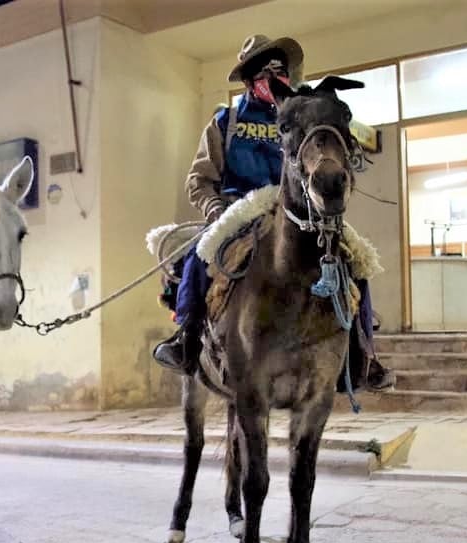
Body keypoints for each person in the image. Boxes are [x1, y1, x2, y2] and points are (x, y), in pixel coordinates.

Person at [152, 34, 395, 392]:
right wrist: (217, 209)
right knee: (200, 254)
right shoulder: (226, 121)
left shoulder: (304, 115)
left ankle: (362, 352)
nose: (274, 76)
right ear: (250, 79)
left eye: (279, 69)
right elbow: (198, 180)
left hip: (295, 210)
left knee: (357, 258)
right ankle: (186, 337)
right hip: (241, 207)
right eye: (264, 71)